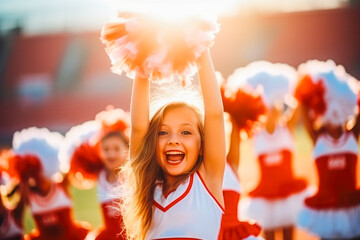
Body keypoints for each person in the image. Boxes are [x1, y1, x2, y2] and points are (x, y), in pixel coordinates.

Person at [119, 49, 226, 240]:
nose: (173, 140)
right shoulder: (147, 186)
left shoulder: (207, 180)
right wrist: (142, 53)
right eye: (163, 132)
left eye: (186, 132)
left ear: (202, 146)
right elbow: (138, 128)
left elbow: (215, 115)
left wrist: (200, 44)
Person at [234, 61, 309, 240]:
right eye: (266, 110)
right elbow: (238, 120)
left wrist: (298, 85)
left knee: (289, 236)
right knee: (268, 236)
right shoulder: (256, 133)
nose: (270, 113)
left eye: (273, 109)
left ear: (277, 109)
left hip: (288, 195)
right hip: (266, 197)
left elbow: (298, 105)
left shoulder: (287, 128)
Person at [295, 60, 360, 240]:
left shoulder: (352, 135)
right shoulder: (318, 137)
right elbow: (302, 106)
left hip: (351, 209)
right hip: (326, 210)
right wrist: (309, 90)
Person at [10, 127, 91, 240]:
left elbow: (72, 163)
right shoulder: (28, 193)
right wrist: (23, 180)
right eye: (31, 173)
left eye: (37, 171)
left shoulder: (61, 185)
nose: (36, 177)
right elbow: (16, 218)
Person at [61, 108, 129, 240]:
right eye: (106, 149)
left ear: (127, 149)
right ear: (97, 150)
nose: (111, 154)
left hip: (131, 234)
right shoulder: (100, 175)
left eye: (116, 148)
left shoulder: (131, 174)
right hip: (109, 235)